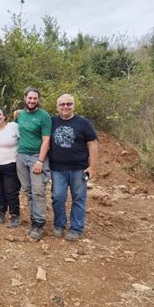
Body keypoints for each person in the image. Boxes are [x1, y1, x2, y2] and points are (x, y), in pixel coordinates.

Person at [50, 94, 98, 241]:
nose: (66, 107)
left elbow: (92, 143)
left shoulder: (83, 123)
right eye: (62, 104)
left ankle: (76, 228)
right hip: (57, 169)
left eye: (69, 104)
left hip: (79, 169)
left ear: (73, 106)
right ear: (57, 107)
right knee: (58, 197)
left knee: (78, 198)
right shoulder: (51, 121)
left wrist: (93, 166)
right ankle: (59, 225)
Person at [15, 87, 52, 240]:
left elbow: (46, 140)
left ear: (38, 99)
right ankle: (33, 220)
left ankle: (40, 223)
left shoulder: (44, 116)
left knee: (38, 191)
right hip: (21, 157)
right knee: (28, 191)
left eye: (35, 98)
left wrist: (40, 161)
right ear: (25, 98)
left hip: (37, 157)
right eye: (29, 98)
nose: (32, 101)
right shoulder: (20, 115)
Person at [0, 107, 22, 226]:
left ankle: (15, 215)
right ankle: (1, 213)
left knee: (11, 191)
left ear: (4, 116)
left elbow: (24, 133)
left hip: (10, 164)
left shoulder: (13, 126)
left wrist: (20, 113)